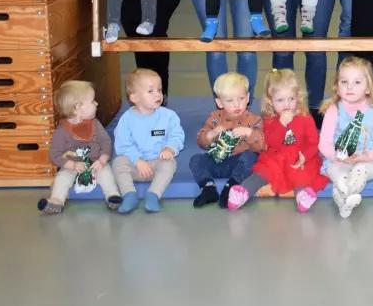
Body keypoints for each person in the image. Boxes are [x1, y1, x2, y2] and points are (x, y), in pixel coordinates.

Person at [225, 68, 328, 212]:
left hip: (299, 157)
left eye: (291, 99)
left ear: (297, 97)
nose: (287, 104)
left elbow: (314, 142)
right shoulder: (269, 120)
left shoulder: (305, 118)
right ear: (270, 102)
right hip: (276, 156)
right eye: (280, 100)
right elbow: (269, 141)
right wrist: (281, 124)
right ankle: (243, 192)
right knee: (262, 172)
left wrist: (305, 156)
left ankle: (302, 196)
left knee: (302, 174)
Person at [318, 57, 373, 219]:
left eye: (357, 82)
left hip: (367, 160)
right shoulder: (333, 109)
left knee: (360, 171)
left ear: (368, 88)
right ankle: (346, 201)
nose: (350, 87)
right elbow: (324, 143)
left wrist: (367, 156)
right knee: (338, 174)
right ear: (337, 86)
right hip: (338, 159)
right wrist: (337, 156)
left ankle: (345, 197)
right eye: (344, 82)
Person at [37, 81, 120, 215]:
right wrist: (72, 164)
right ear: (77, 108)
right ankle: (56, 201)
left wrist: (102, 160)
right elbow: (55, 154)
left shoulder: (95, 124)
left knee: (106, 174)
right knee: (62, 178)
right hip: (72, 166)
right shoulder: (62, 130)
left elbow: (106, 142)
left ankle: (112, 196)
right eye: (93, 101)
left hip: (95, 163)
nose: (96, 104)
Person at [112, 68, 184, 214]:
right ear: (135, 98)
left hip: (157, 163)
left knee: (170, 164)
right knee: (118, 163)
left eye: (159, 89)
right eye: (150, 91)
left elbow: (177, 135)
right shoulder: (127, 119)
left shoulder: (169, 116)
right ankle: (129, 194)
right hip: (135, 165)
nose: (157, 94)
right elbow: (123, 144)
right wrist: (137, 161)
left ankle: (153, 195)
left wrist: (170, 149)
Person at [190, 72, 264, 209]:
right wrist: (211, 134)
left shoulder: (254, 120)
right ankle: (208, 188)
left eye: (241, 98)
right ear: (219, 102)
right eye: (230, 101)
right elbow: (201, 141)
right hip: (217, 161)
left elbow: (262, 145)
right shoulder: (215, 117)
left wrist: (249, 133)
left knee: (251, 157)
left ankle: (232, 186)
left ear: (248, 97)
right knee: (196, 159)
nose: (237, 104)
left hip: (239, 165)